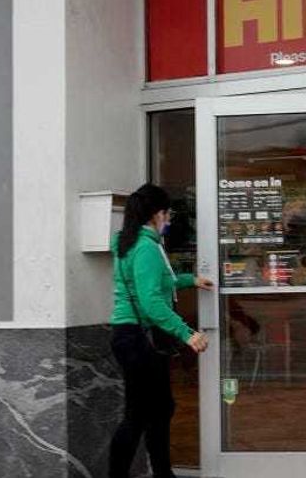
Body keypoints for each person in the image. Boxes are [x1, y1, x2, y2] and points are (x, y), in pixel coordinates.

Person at [109, 184, 213, 478]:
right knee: (139, 415)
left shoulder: (133, 243)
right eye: (168, 214)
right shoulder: (145, 248)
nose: (169, 220)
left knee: (159, 409)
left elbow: (156, 283)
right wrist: (187, 333)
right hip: (137, 337)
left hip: (131, 335)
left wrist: (189, 280)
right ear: (157, 214)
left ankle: (164, 473)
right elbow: (151, 301)